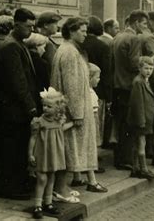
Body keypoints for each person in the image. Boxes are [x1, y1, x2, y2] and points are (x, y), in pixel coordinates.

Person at [51, 17, 106, 203]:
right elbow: (72, 86)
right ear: (72, 31)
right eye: (82, 31)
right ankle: (60, 189)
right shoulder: (70, 53)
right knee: (69, 150)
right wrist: (77, 114)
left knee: (68, 149)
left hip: (69, 109)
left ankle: (61, 187)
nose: (85, 34)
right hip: (72, 111)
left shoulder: (69, 50)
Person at [0, 8, 38, 200]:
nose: (31, 30)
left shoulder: (17, 44)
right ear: (17, 24)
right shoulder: (11, 46)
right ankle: (11, 188)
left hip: (16, 107)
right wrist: (30, 106)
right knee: (13, 148)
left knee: (19, 147)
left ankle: (18, 184)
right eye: (28, 26)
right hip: (14, 108)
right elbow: (18, 81)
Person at [110, 10, 148, 170]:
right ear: (136, 23)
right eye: (144, 24)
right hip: (127, 86)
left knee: (119, 123)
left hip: (116, 85)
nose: (145, 27)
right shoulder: (134, 39)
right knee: (128, 124)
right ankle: (125, 159)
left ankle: (119, 157)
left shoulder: (117, 37)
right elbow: (134, 64)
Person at [28, 88, 74, 219]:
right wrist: (30, 154)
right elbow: (33, 138)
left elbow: (61, 129)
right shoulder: (39, 121)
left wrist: (72, 124)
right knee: (42, 179)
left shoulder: (58, 121)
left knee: (51, 177)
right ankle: (38, 205)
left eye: (49, 106)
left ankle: (48, 203)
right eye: (44, 106)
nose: (45, 108)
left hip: (53, 154)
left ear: (58, 108)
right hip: (42, 154)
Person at [82, 16, 112, 159]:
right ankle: (94, 156)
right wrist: (108, 94)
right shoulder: (103, 46)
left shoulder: (80, 44)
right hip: (98, 90)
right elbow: (107, 72)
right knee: (97, 124)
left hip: (82, 88)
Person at [127, 56, 154, 180]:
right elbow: (137, 103)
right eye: (146, 68)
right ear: (140, 68)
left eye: (151, 68)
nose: (148, 71)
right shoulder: (138, 82)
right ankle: (143, 168)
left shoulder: (144, 80)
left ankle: (135, 168)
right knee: (141, 143)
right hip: (141, 119)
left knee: (138, 143)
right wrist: (141, 121)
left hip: (144, 118)